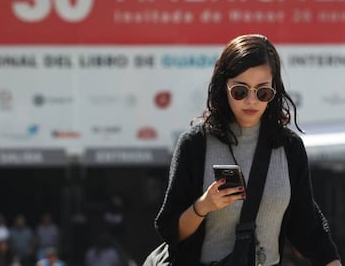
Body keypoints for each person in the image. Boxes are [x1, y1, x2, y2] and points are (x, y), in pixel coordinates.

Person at [147, 34, 342, 266]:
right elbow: (171, 231)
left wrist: (331, 261)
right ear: (223, 85)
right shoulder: (195, 144)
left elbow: (306, 225)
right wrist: (204, 205)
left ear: (274, 91)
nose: (251, 101)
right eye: (240, 91)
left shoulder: (289, 147)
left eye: (262, 92)